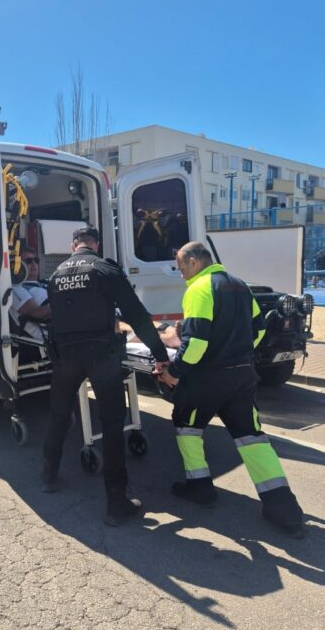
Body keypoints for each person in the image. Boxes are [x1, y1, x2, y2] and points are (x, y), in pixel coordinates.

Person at [158, 241, 305, 537]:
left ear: (194, 261)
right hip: (242, 376)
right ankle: (284, 509)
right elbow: (259, 330)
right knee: (251, 437)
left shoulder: (198, 289)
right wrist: (235, 355)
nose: (181, 273)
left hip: (208, 379)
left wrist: (172, 372)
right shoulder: (240, 286)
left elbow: (195, 345)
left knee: (187, 425)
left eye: (180, 266)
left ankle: (200, 488)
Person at [42, 225, 170, 526]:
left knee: (59, 415)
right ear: (95, 244)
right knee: (112, 424)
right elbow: (136, 314)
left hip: (65, 357)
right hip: (102, 356)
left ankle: (48, 477)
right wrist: (160, 355)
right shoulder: (104, 269)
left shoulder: (56, 275)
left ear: (74, 244)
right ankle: (116, 502)